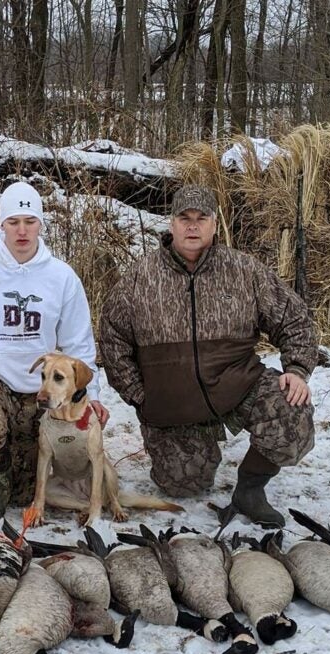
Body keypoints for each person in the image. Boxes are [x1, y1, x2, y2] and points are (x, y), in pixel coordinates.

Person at [99, 185, 316, 528]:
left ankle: (250, 489)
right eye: (184, 218)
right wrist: (139, 395)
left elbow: (294, 318)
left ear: (215, 224)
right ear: (171, 224)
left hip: (238, 385)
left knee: (292, 410)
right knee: (183, 484)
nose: (192, 226)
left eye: (202, 218)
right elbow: (112, 340)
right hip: (174, 405)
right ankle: (194, 451)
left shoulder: (244, 270)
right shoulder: (140, 278)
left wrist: (297, 368)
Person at [0, 181, 108, 532]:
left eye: (30, 221)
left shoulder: (62, 277)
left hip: (41, 391)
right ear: (1, 225)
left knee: (24, 493)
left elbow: (78, 344)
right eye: (13, 222)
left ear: (41, 224)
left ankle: (14, 475)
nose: (22, 230)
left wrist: (93, 394)